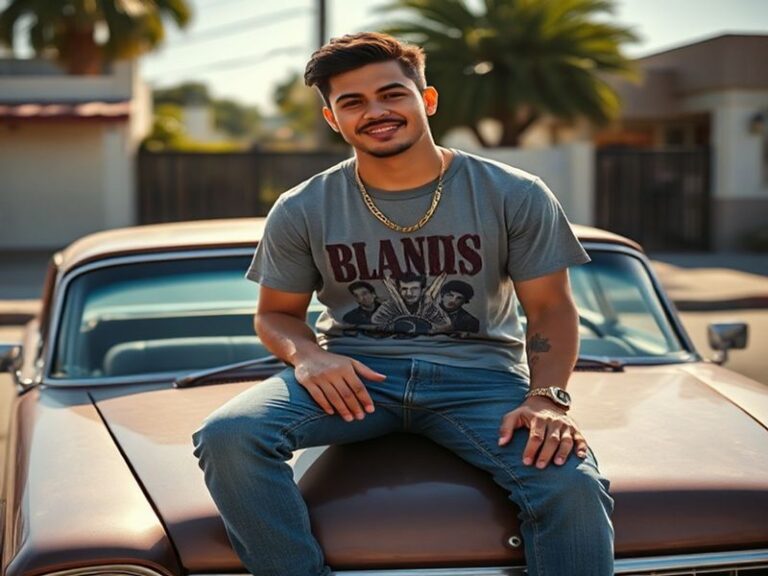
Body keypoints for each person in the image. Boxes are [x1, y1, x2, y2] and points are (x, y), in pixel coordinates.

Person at [193, 32, 614, 576]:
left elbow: (551, 309)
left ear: (427, 99)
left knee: (573, 485)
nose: (376, 112)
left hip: (482, 381)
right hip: (356, 379)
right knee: (229, 435)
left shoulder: (514, 193)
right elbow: (275, 314)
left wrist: (547, 399)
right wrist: (309, 356)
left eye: (392, 94)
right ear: (332, 119)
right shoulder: (303, 207)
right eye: (353, 102)